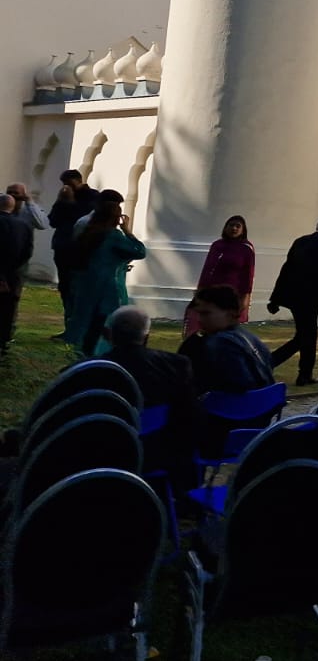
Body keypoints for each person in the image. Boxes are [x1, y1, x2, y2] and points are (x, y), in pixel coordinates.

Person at [104, 305, 201, 485]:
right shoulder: (177, 366)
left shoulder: (90, 370)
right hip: (160, 454)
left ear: (108, 335)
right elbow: (189, 416)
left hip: (104, 453)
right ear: (146, 337)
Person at [267, 213, 318, 386]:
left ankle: (304, 374)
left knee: (306, 336)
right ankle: (271, 362)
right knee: (305, 337)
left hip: (293, 296)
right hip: (309, 299)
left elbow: (286, 270)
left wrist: (275, 298)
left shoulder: (300, 241)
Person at [66, 195, 145, 356]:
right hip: (106, 287)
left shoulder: (88, 232)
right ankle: (97, 355)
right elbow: (139, 251)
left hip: (86, 285)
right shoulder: (113, 235)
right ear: (117, 218)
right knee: (104, 325)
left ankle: (83, 352)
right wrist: (128, 232)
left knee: (87, 323)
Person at [179, 285, 275, 395]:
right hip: (267, 403)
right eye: (199, 314)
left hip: (235, 407)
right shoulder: (251, 338)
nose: (200, 320)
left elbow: (239, 384)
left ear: (231, 313)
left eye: (206, 314)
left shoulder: (218, 342)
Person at [184, 215, 256, 335]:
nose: (234, 228)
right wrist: (200, 290)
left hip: (232, 293)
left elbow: (248, 275)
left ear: (243, 230)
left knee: (224, 326)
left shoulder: (246, 248)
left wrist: (245, 297)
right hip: (212, 291)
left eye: (238, 226)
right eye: (231, 225)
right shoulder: (217, 245)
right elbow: (207, 268)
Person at [47, 169, 98, 327]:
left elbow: (85, 218)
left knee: (78, 287)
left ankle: (78, 325)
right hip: (63, 247)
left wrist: (69, 202)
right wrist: (61, 201)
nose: (66, 187)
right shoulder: (63, 197)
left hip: (80, 249)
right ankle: (68, 323)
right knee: (65, 287)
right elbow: (53, 221)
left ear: (78, 180)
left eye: (69, 183)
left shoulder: (93, 196)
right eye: (64, 184)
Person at [0, 194, 33, 353]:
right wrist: (12, 270)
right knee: (9, 307)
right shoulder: (24, 225)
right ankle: (4, 339)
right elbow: (28, 251)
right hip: (14, 274)